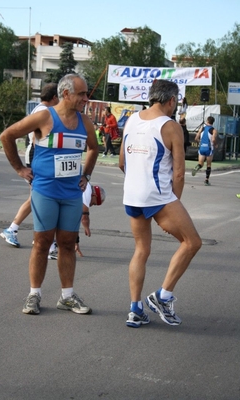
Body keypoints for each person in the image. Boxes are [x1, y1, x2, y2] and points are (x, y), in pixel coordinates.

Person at [0, 73, 99, 315]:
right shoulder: (44, 116)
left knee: (67, 243)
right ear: (66, 94)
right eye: (82, 94)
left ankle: (67, 296)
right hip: (45, 191)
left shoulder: (84, 121)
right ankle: (34, 295)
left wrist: (86, 175)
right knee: (42, 243)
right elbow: (7, 136)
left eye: (86, 93)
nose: (86, 98)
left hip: (71, 194)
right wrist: (20, 169)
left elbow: (94, 148)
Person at [119, 79, 202, 328]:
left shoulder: (132, 120)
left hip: (132, 195)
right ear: (171, 101)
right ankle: (162, 296)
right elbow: (179, 173)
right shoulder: (171, 126)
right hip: (158, 196)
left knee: (141, 250)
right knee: (192, 242)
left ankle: (135, 310)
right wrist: (173, 201)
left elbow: (122, 162)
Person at [0, 83, 59, 248]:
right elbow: (36, 139)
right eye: (59, 97)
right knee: (40, 197)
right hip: (35, 155)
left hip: (34, 154)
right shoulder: (43, 112)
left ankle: (23, 231)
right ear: (54, 97)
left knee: (36, 197)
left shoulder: (41, 109)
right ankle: (20, 231)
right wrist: (24, 167)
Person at [75, 183, 106, 257]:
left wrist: (76, 241)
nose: (90, 205)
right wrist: (87, 228)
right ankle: (52, 248)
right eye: (93, 203)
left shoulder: (86, 186)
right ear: (94, 195)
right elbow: (84, 217)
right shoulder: (87, 192)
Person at [191, 116, 218, 186]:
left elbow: (196, 138)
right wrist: (215, 145)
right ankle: (206, 180)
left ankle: (197, 167)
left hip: (202, 147)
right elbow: (213, 139)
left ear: (207, 121)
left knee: (201, 163)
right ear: (213, 122)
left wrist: (200, 142)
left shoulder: (202, 128)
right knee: (208, 165)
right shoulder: (214, 130)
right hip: (209, 148)